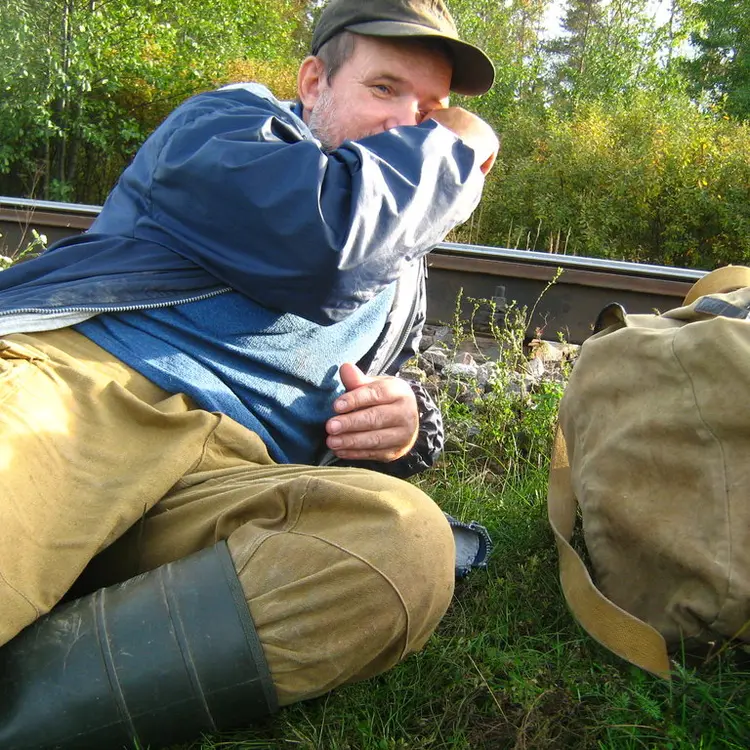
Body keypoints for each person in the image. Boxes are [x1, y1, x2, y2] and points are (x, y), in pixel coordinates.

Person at [0, 0, 498, 747]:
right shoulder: (229, 127)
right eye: (385, 89)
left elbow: (384, 380)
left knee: (406, 547)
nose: (410, 125)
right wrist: (461, 140)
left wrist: (408, 421)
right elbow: (325, 246)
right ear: (314, 83)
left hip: (232, 480)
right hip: (90, 395)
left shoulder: (400, 266)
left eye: (430, 109)